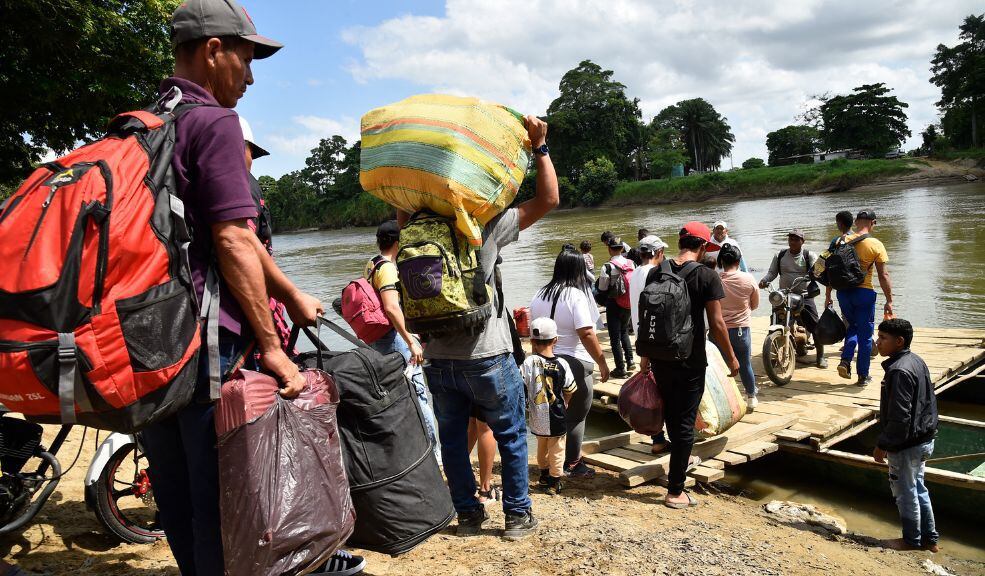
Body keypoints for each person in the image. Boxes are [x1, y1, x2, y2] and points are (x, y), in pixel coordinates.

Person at [139, 3, 328, 574]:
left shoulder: (143, 123)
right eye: (245, 60)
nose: (249, 78)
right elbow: (234, 239)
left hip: (148, 342)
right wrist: (272, 347)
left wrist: (290, 294)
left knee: (177, 499)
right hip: (207, 348)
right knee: (224, 505)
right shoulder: (214, 122)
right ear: (213, 49)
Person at [413, 116, 559, 540]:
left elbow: (403, 198)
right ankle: (516, 516)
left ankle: (468, 516)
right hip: (487, 355)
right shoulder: (485, 224)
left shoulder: (413, 228)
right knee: (510, 435)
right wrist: (540, 146)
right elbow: (548, 199)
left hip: (438, 358)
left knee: (453, 442)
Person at [639, 222, 739, 509]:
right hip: (689, 359)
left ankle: (677, 464)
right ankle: (675, 490)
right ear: (704, 246)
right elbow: (717, 323)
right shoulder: (707, 275)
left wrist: (645, 357)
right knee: (685, 423)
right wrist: (731, 358)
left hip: (659, 357)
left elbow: (648, 317)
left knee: (673, 415)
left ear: (680, 242)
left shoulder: (657, 271)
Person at [529, 250, 610, 479]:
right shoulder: (575, 295)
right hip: (573, 362)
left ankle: (548, 462)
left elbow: (533, 330)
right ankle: (572, 463)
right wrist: (602, 362)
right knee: (576, 416)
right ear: (578, 270)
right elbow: (586, 333)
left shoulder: (539, 294)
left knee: (549, 414)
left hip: (544, 362)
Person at [365, 220, 440, 463]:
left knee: (396, 397)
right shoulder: (388, 268)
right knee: (418, 394)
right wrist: (411, 341)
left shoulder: (372, 264)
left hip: (378, 340)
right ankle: (434, 455)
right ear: (398, 242)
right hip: (395, 339)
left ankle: (407, 453)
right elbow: (391, 307)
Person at [873, 319, 939, 553]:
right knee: (918, 488)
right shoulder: (916, 361)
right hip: (924, 438)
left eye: (883, 338)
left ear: (899, 341)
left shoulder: (899, 370)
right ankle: (930, 540)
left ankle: (911, 540)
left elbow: (900, 417)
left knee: (905, 492)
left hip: (907, 443)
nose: (878, 342)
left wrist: (883, 444)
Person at [835, 211, 893, 386]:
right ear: (873, 223)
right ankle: (863, 375)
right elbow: (883, 275)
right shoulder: (876, 244)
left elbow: (830, 269)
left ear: (856, 222)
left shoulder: (840, 241)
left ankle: (845, 360)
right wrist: (889, 300)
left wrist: (829, 294)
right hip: (864, 293)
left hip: (843, 293)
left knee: (852, 327)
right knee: (866, 335)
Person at [521, 318, 578, 495]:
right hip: (556, 414)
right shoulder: (563, 363)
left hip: (537, 415)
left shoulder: (529, 362)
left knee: (542, 446)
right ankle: (555, 481)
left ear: (532, 341)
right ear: (555, 340)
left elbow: (521, 383)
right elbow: (570, 389)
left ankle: (544, 474)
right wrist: (566, 401)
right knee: (557, 449)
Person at [758, 229, 827, 368]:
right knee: (776, 321)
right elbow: (772, 273)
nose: (793, 242)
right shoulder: (780, 255)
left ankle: (820, 356)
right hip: (784, 295)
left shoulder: (808, 255)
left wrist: (816, 273)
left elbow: (818, 271)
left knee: (815, 325)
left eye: (796, 239)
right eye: (791, 239)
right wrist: (764, 280)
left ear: (803, 241)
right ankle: (773, 352)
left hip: (804, 295)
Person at [719, 244, 760, 408]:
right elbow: (755, 304)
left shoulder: (716, 280)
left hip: (719, 331)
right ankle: (751, 397)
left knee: (722, 366)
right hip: (741, 329)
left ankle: (724, 400)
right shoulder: (748, 279)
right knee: (745, 364)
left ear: (721, 261)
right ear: (738, 261)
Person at [597, 236, 636, 378]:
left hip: (614, 303)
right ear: (622, 248)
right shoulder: (632, 263)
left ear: (609, 249)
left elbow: (602, 288)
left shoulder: (607, 267)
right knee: (624, 331)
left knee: (614, 337)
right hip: (628, 302)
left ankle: (620, 368)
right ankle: (630, 360)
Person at [823, 210, 856, 310]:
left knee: (847, 317)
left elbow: (829, 267)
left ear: (840, 223)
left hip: (843, 286)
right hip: (862, 286)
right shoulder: (863, 239)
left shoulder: (836, 241)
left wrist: (828, 296)